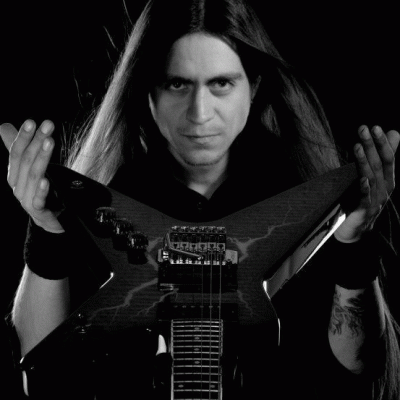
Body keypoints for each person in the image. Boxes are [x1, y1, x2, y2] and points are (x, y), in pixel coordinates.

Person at [1, 0, 399, 398]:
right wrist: (47, 231)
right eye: (178, 84)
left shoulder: (310, 206)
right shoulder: (99, 206)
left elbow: (356, 369)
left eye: (220, 83)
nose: (199, 113)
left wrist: (354, 245)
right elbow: (42, 374)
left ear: (254, 86)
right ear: (148, 91)